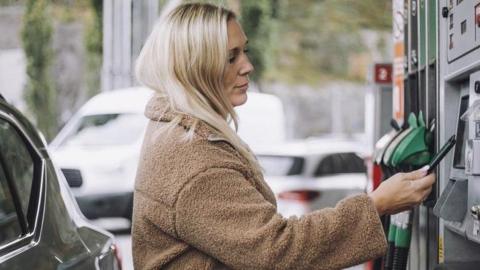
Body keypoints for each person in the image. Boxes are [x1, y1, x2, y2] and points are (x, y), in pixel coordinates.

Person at [132, 3, 435, 270]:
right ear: (195, 67)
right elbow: (277, 250)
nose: (247, 67)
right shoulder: (194, 160)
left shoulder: (173, 132)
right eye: (230, 58)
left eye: (245, 51)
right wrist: (376, 205)